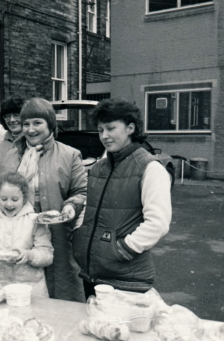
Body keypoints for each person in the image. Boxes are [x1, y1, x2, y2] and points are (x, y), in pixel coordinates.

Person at [72, 99, 171, 299]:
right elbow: (89, 207)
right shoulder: (99, 167)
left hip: (127, 279)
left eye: (110, 128)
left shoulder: (150, 168)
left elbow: (158, 223)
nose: (104, 136)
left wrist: (122, 250)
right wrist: (78, 233)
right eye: (100, 130)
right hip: (92, 275)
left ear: (130, 128)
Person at [0, 98, 87, 302]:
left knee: (62, 290)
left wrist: (71, 206)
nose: (31, 129)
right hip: (19, 237)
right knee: (23, 294)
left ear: (50, 124)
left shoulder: (70, 155)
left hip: (58, 234)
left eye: (37, 123)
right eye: (26, 124)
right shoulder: (10, 155)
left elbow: (82, 192)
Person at [0, 173, 53, 296]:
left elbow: (47, 254)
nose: (9, 204)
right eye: (4, 199)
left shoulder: (35, 221)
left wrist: (29, 255)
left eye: (15, 199)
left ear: (24, 198)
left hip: (31, 290)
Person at [0, 96, 26, 203]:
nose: (11, 120)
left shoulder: (32, 144)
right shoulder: (1, 146)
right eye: (7, 116)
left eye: (16, 115)